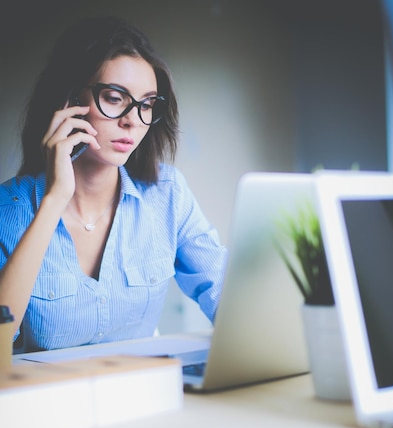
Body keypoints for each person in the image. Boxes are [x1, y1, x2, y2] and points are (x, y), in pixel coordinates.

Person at [0, 15, 227, 353]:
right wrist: (54, 200)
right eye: (114, 97)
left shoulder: (168, 192)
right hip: (46, 401)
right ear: (68, 100)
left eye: (147, 104)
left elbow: (225, 295)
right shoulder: (8, 208)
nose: (132, 120)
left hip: (141, 395)